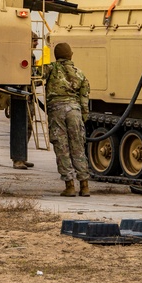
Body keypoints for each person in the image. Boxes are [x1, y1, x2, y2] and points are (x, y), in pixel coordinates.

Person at [43, 42, 91, 196]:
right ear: (71, 54)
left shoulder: (50, 69)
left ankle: (69, 186)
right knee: (78, 147)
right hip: (75, 111)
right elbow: (84, 99)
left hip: (57, 110)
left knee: (62, 148)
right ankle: (85, 186)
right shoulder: (80, 73)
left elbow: (35, 75)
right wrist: (84, 116)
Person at [12, 30, 40, 170]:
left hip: (29, 96)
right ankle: (18, 159)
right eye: (34, 40)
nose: (37, 43)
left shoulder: (32, 56)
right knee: (21, 127)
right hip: (21, 97)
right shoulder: (21, 56)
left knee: (28, 127)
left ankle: (22, 156)